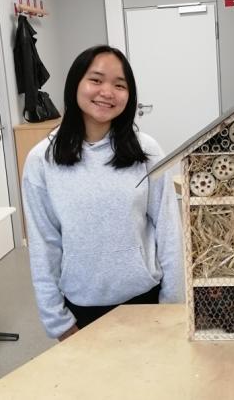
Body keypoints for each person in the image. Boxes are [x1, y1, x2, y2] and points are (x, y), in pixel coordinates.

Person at [22, 45, 185, 341]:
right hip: (82, 306)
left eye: (119, 85)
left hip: (146, 299)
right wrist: (57, 321)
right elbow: (43, 244)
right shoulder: (41, 160)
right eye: (96, 80)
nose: (107, 92)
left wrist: (173, 304)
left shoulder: (146, 150)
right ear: (75, 84)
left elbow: (169, 229)